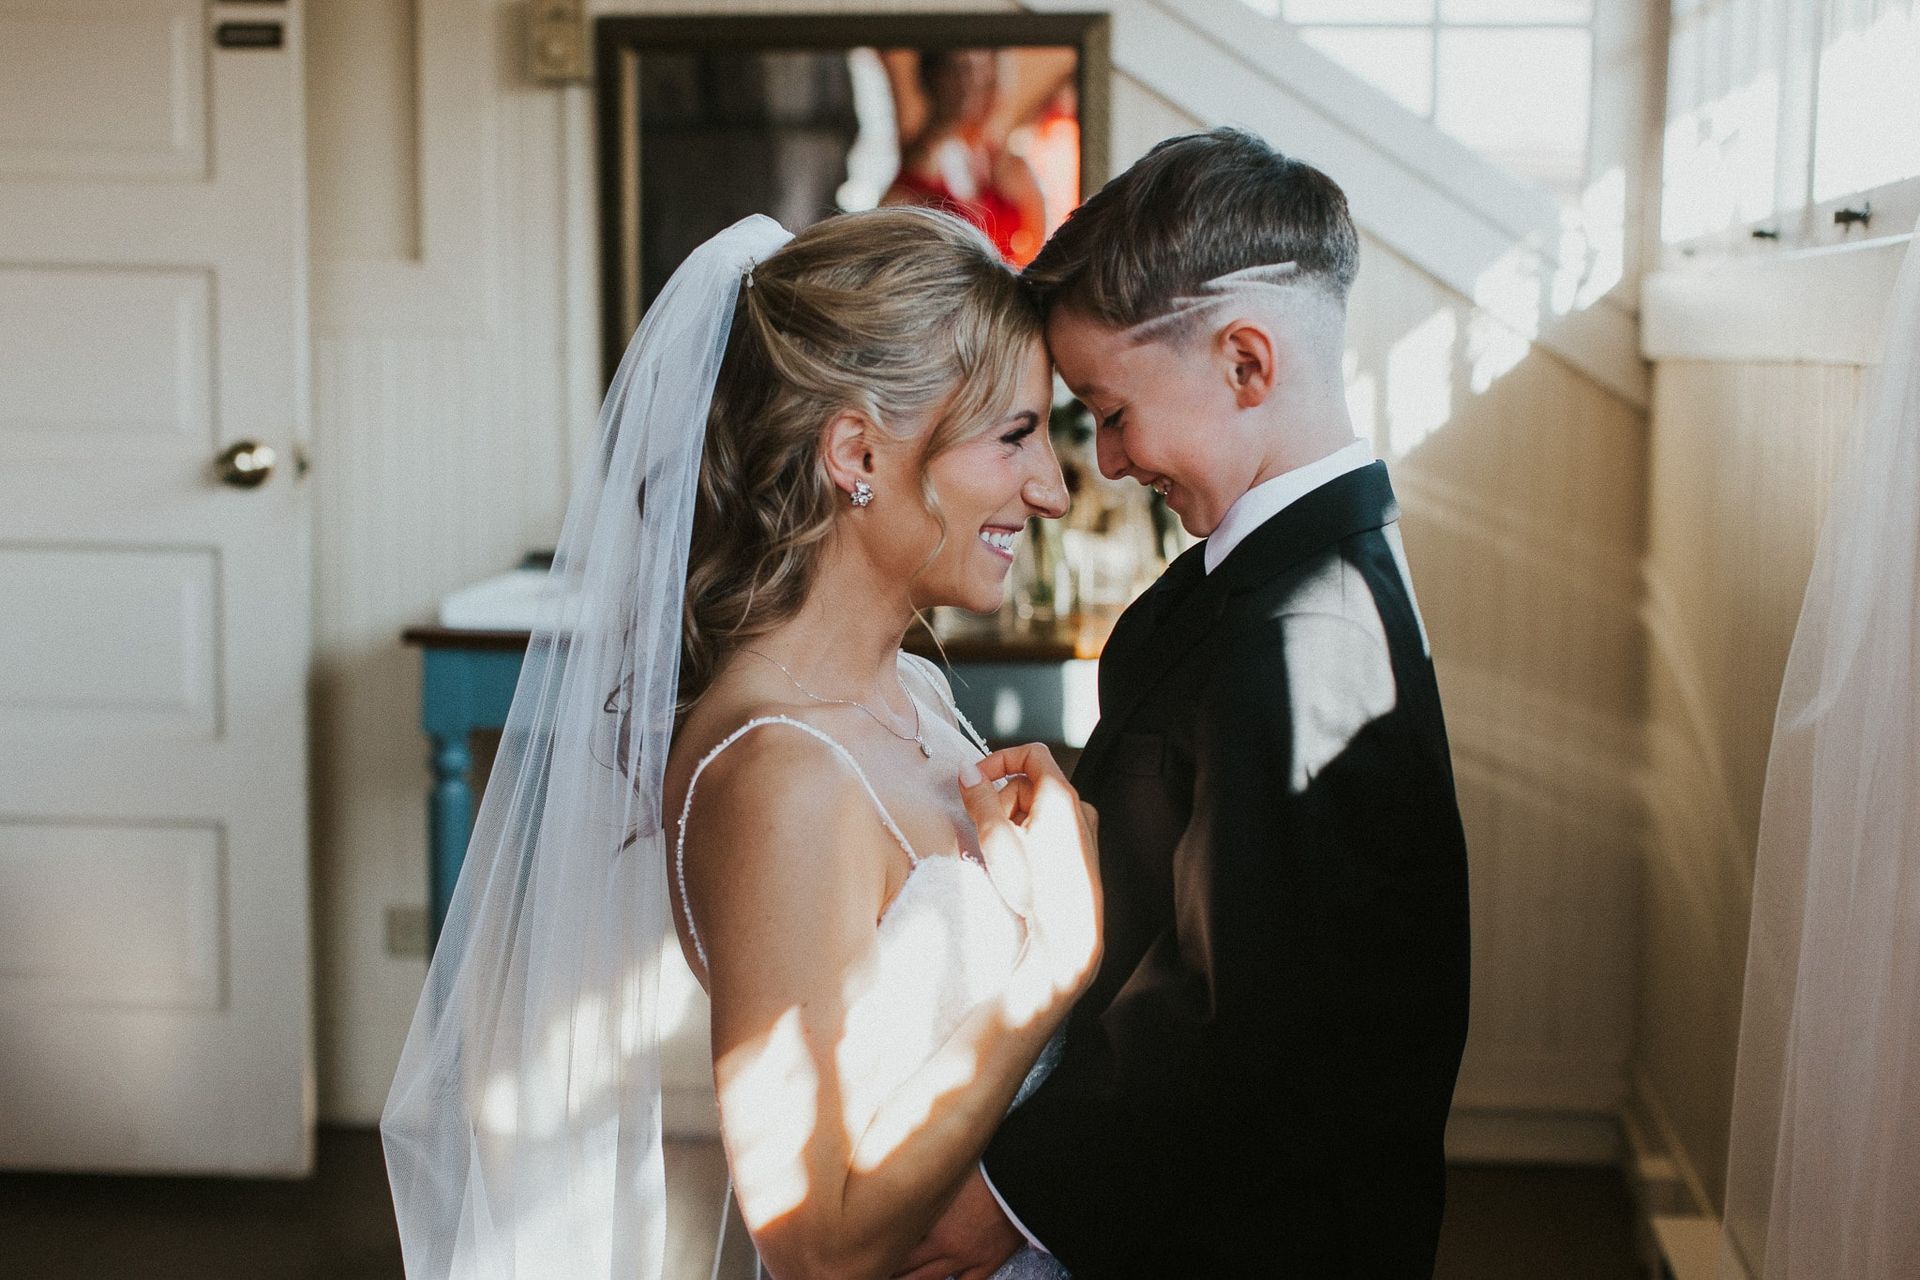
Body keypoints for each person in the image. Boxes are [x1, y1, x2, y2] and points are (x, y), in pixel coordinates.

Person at [382, 206, 1098, 1280]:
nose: (1050, 485)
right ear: (856, 451)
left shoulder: (904, 690)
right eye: (1014, 436)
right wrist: (1052, 964)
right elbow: (813, 1243)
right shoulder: (777, 775)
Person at [902, 128, 1473, 1279]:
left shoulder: (1312, 638)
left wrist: (1002, 1201)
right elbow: (1210, 802)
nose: (1107, 462)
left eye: (1112, 411)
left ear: (1246, 365)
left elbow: (1232, 1008)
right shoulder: (1272, 577)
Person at [883, 49, 1046, 266]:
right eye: (958, 71)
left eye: (976, 70)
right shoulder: (918, 172)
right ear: (933, 78)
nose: (969, 82)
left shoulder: (994, 160)